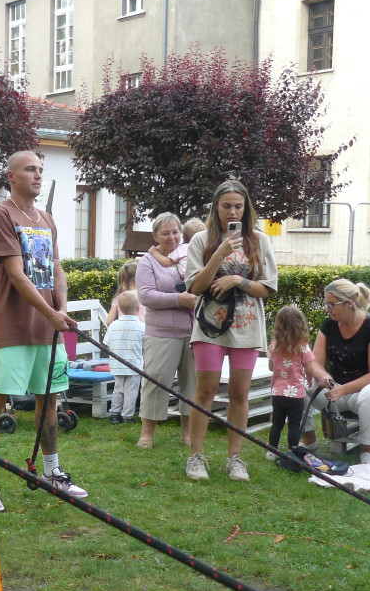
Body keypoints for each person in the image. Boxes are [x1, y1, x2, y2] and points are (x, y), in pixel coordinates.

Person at [0, 150, 87, 512]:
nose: (38, 175)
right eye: (30, 170)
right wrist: (51, 312)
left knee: (49, 399)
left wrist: (61, 311)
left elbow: (56, 269)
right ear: (11, 176)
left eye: (40, 169)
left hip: (47, 326)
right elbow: (17, 275)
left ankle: (52, 471)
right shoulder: (1, 216)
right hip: (12, 327)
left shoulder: (47, 219)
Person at [185, 180, 278, 482]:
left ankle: (234, 459)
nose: (232, 211)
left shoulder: (260, 241)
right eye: (227, 206)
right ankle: (196, 457)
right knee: (206, 391)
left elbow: (268, 287)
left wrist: (237, 281)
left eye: (238, 206)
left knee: (240, 393)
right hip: (210, 328)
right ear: (216, 207)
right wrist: (219, 254)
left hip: (247, 328)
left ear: (246, 208)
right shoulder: (201, 240)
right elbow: (196, 287)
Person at [302, 280, 370, 466]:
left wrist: (344, 389)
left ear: (348, 304)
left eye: (331, 304)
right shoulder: (328, 325)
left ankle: (366, 451)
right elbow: (314, 363)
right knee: (298, 382)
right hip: (334, 391)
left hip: (364, 392)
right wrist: (323, 376)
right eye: (326, 303)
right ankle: (309, 440)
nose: (327, 309)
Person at [135, 212, 198, 449]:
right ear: (155, 236)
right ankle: (147, 434)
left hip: (193, 332)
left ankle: (188, 433)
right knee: (155, 381)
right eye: (165, 233)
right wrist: (179, 300)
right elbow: (146, 296)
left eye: (175, 232)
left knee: (191, 384)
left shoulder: (189, 254)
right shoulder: (147, 262)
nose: (171, 237)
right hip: (161, 332)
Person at [266, 305, 329, 461]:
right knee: (294, 425)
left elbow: (270, 366)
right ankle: (292, 452)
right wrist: (307, 380)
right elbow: (309, 368)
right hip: (296, 393)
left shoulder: (275, 345)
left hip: (278, 392)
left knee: (277, 424)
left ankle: (271, 450)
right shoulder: (302, 346)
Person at [104, 291, 145, 424]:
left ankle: (115, 413)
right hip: (135, 365)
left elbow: (108, 345)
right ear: (138, 309)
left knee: (118, 388)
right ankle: (127, 415)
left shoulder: (113, 326)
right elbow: (146, 346)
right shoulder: (142, 327)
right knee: (131, 391)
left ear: (119, 308)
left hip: (117, 364)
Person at [104, 259, 145, 325]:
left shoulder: (119, 297)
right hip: (142, 333)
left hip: (124, 333)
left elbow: (109, 321)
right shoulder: (145, 295)